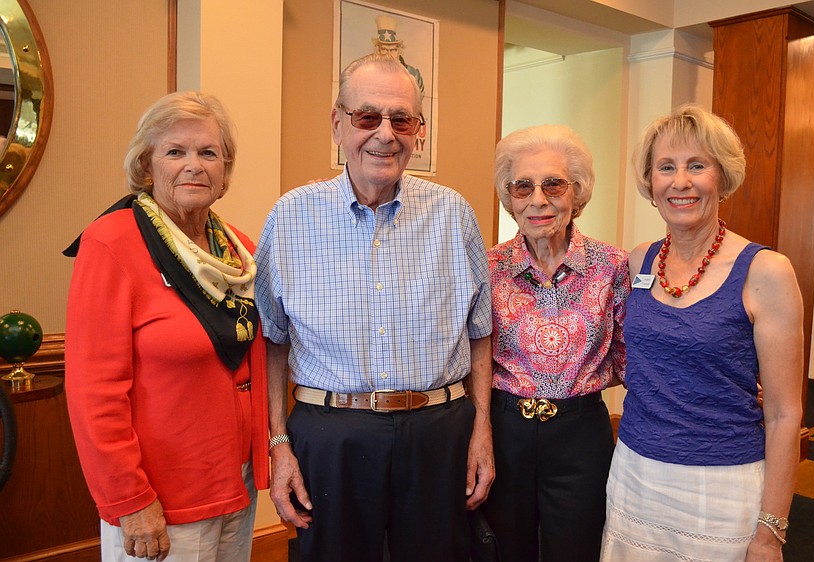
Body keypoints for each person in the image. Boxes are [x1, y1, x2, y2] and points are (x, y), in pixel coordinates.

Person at [254, 53, 493, 562]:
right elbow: (272, 341)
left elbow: (480, 332)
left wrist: (482, 433)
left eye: (401, 119)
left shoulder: (453, 213)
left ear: (418, 130)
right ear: (337, 122)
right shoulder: (290, 216)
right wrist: (278, 444)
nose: (385, 134)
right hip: (329, 436)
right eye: (367, 117)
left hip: (439, 432)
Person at [64, 91, 269, 562]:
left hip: (235, 483)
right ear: (147, 167)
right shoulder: (112, 243)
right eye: (175, 152)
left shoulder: (239, 250)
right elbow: (94, 391)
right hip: (160, 497)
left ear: (225, 171)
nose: (193, 165)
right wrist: (129, 500)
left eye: (208, 153)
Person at [601, 104, 804, 561]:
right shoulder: (639, 261)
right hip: (635, 474)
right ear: (651, 183)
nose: (681, 181)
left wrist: (771, 534)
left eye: (697, 165)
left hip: (721, 488)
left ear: (722, 177)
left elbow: (784, 414)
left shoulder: (765, 272)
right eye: (666, 167)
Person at [481, 124, 628, 562]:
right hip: (505, 430)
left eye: (553, 184)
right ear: (509, 198)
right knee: (505, 549)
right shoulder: (488, 266)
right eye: (522, 186)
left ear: (577, 192)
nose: (538, 199)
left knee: (577, 549)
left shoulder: (611, 266)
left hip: (581, 433)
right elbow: (474, 358)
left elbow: (629, 358)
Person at [372, 15, 425, 98]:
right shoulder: (369, 73)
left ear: (399, 51)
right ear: (377, 50)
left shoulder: (413, 74)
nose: (388, 54)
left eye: (393, 50)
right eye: (384, 49)